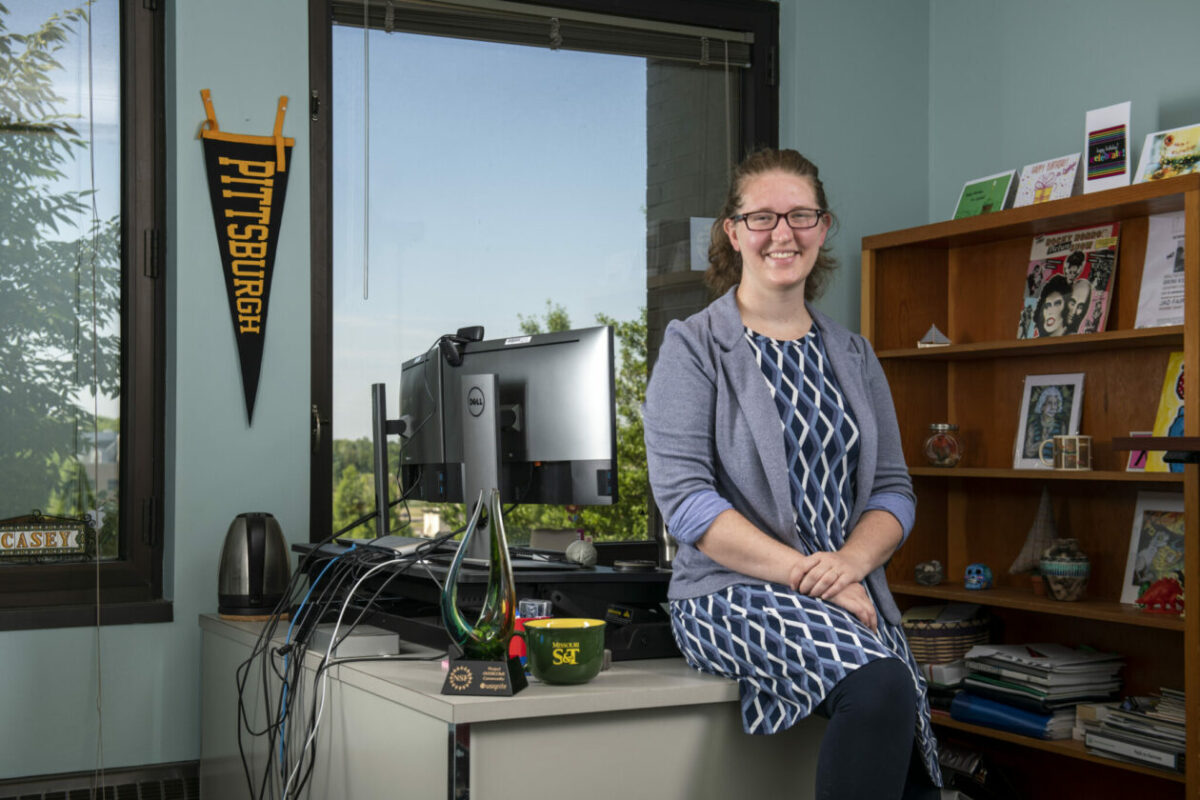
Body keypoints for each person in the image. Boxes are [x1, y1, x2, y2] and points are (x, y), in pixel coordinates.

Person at [643, 148, 940, 800]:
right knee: (884, 686)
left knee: (913, 756)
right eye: (763, 217)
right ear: (733, 231)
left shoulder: (853, 354)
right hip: (729, 594)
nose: (784, 233)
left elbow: (893, 487)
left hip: (844, 590)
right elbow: (687, 503)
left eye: (801, 215)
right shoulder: (693, 347)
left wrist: (848, 567)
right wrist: (814, 578)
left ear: (824, 226)